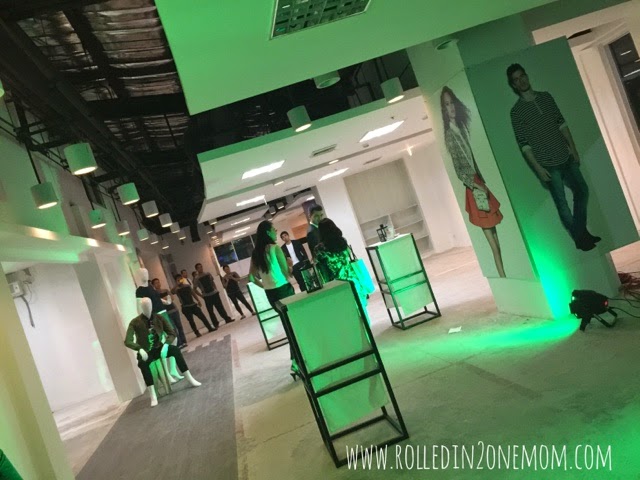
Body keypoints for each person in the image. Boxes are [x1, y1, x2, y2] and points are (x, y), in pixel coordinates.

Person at [507, 63, 600, 251]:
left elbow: (561, 123)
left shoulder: (546, 97)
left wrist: (573, 149)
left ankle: (580, 234)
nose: (521, 81)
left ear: (527, 76)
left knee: (582, 191)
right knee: (562, 204)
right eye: (516, 80)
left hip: (565, 156)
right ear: (513, 85)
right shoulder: (516, 112)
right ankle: (582, 238)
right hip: (547, 164)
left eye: (522, 76)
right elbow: (524, 145)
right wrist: (538, 169)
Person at [441, 86, 506, 278]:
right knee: (493, 244)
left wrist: (481, 183)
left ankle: (504, 276)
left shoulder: (461, 129)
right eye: (447, 104)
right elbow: (459, 171)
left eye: (452, 102)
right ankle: (503, 277)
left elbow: (472, 160)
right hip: (474, 188)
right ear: (444, 110)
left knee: (496, 241)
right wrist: (477, 185)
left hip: (480, 184)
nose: (451, 107)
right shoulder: (450, 135)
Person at [124, 297, 201, 407]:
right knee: (143, 364)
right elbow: (127, 341)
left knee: (175, 351)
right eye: (144, 306)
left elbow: (172, 333)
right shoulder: (135, 322)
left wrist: (166, 345)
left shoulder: (159, 318)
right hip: (146, 352)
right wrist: (139, 349)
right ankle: (153, 395)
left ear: (152, 305)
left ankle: (190, 378)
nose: (147, 308)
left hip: (159, 348)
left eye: (148, 305)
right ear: (141, 307)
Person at [249, 220, 297, 377]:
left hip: (271, 294)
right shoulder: (275, 248)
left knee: (288, 325)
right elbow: (287, 273)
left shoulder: (256, 253)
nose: (276, 232)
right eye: (274, 229)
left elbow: (251, 277)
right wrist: (290, 264)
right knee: (294, 325)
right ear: (267, 232)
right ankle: (296, 360)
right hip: (284, 290)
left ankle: (295, 360)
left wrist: (265, 286)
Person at [314, 218, 369, 307]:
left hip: (337, 284)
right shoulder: (342, 241)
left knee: (347, 309)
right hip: (353, 279)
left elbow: (321, 269)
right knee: (361, 307)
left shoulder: (320, 249)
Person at [194, 262, 234, 327]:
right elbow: (194, 289)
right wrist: (201, 296)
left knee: (220, 307)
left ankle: (227, 319)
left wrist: (216, 289)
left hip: (214, 293)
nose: (200, 268)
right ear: (196, 269)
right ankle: (215, 323)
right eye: (199, 268)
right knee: (210, 311)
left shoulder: (207, 273)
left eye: (201, 267)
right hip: (206, 296)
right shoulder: (196, 278)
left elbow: (212, 281)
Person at [152, 277, 187, 349]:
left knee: (179, 326)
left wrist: (165, 299)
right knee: (173, 328)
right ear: (153, 285)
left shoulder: (165, 290)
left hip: (174, 309)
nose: (158, 284)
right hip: (167, 312)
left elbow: (171, 298)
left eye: (158, 282)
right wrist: (165, 299)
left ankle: (184, 341)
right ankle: (179, 343)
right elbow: (159, 302)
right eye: (156, 283)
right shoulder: (155, 294)